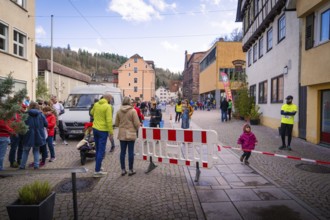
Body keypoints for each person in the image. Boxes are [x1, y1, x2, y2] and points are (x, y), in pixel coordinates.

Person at [115, 97, 141, 176]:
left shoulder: (119, 111)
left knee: (122, 152)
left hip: (122, 133)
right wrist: (136, 128)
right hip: (131, 133)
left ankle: (123, 170)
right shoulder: (133, 111)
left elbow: (116, 124)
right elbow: (137, 124)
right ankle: (130, 170)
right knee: (131, 152)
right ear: (130, 102)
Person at [90, 94, 114, 177]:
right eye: (111, 99)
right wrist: (111, 132)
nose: (111, 100)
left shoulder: (96, 104)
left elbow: (91, 112)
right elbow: (109, 120)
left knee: (97, 149)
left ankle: (98, 167)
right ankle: (97, 171)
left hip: (95, 128)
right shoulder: (108, 106)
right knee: (101, 150)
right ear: (108, 99)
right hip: (103, 130)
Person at [19, 102, 48, 170]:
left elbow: (21, 125)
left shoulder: (25, 115)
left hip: (27, 135)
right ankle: (36, 165)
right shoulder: (41, 115)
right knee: (36, 150)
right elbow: (46, 124)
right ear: (37, 107)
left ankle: (22, 166)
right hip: (38, 135)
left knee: (25, 151)